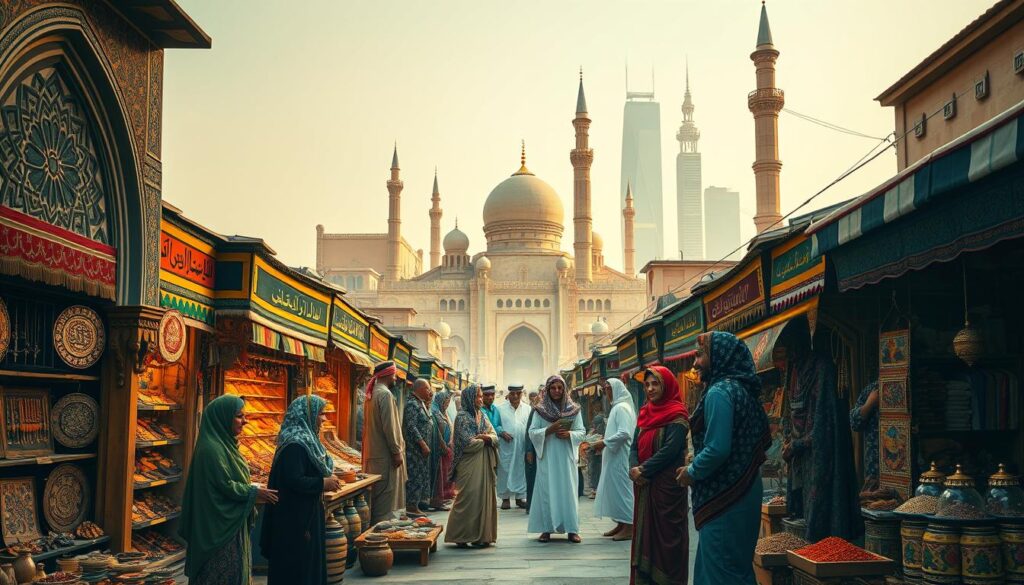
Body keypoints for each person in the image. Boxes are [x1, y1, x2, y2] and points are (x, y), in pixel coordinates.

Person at [675, 332, 771, 585]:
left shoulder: (720, 392)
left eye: (700, 354)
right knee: (736, 567)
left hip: (725, 496)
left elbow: (717, 448)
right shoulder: (742, 390)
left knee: (720, 569)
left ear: (719, 357)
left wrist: (691, 471)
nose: (695, 362)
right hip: (746, 489)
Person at [181, 395, 278, 584]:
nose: (245, 421)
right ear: (223, 418)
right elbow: (225, 485)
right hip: (216, 526)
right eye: (239, 416)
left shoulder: (226, 445)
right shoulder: (211, 449)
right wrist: (253, 492)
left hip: (228, 524)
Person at [779, 322, 860, 541]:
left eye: (793, 344)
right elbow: (791, 410)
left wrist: (797, 445)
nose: (790, 351)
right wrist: (790, 441)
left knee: (819, 511)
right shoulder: (794, 370)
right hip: (799, 450)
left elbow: (824, 423)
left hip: (818, 450)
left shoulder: (821, 367)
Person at [262, 395, 342, 585]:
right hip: (294, 521)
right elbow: (294, 480)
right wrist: (322, 483)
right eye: (321, 414)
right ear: (308, 414)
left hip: (305, 516)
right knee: (298, 569)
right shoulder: (295, 445)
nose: (324, 419)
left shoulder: (307, 442)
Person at [628, 366, 690, 584]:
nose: (651, 388)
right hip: (644, 486)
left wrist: (643, 470)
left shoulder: (677, 414)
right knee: (646, 538)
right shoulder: (645, 412)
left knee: (667, 542)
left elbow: (670, 451)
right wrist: (633, 468)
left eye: (656, 383)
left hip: (667, 491)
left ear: (667, 385)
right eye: (647, 384)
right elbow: (634, 446)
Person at [528, 374, 585, 543]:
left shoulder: (574, 409)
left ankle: (572, 529)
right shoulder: (540, 410)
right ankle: (547, 529)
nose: (557, 391)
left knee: (568, 491)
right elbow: (532, 432)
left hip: (566, 457)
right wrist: (548, 430)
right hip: (547, 457)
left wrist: (570, 434)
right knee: (547, 490)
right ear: (547, 389)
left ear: (564, 389)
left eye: (560, 388)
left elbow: (581, 431)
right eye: (553, 388)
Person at [444, 385, 499, 548]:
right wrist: (485, 440)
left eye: (481, 396)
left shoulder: (481, 416)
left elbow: (495, 436)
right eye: (478, 397)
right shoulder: (462, 417)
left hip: (484, 463)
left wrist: (487, 438)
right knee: (468, 498)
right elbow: (466, 444)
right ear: (469, 398)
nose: (481, 399)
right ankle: (460, 535)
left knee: (483, 499)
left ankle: (481, 536)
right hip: (468, 464)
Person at [362, 361, 408, 525]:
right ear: (388, 374)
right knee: (383, 506)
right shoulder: (385, 395)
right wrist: (396, 452)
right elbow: (390, 427)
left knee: (376, 502)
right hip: (385, 458)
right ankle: (378, 544)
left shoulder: (372, 393)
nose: (395, 378)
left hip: (374, 456)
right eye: (394, 374)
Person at [593, 378, 636, 541]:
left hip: (620, 457)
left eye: (609, 389)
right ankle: (621, 524)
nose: (607, 393)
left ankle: (629, 526)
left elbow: (624, 433)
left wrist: (603, 442)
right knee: (616, 491)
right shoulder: (617, 407)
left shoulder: (621, 408)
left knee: (623, 491)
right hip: (613, 456)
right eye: (605, 390)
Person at [402, 378, 435, 517]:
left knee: (420, 477)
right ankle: (411, 506)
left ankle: (416, 504)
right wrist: (422, 444)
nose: (430, 392)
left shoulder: (420, 403)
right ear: (420, 389)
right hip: (415, 450)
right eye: (428, 389)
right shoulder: (412, 404)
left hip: (421, 451)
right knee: (414, 477)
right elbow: (411, 426)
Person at [497, 384, 530, 509]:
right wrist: (501, 432)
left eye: (518, 393)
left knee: (521, 470)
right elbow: (495, 425)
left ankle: (520, 497)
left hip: (522, 445)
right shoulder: (499, 409)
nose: (515, 396)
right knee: (505, 470)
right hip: (506, 446)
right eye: (512, 393)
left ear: (522, 394)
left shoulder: (527, 409)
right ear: (508, 394)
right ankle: (505, 498)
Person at [850, 381, 880, 490]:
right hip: (875, 465)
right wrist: (870, 404)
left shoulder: (911, 387)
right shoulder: (873, 389)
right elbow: (854, 423)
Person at [429, 389, 455, 511]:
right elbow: (436, 432)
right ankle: (438, 500)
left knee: (446, 474)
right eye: (445, 402)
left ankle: (444, 496)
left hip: (447, 447)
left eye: (448, 402)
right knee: (439, 475)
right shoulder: (435, 412)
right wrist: (443, 445)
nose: (447, 405)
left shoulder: (443, 412)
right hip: (439, 449)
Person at [587, 407, 607, 497]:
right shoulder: (594, 429)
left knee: (597, 470)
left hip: (599, 452)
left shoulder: (602, 428)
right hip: (594, 453)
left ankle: (596, 489)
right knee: (594, 470)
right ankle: (595, 489)